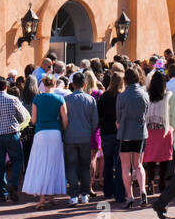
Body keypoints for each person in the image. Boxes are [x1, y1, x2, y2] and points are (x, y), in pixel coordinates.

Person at [22, 74, 69, 207]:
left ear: (43, 84)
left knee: (41, 163)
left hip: (41, 133)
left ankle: (42, 198)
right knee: (54, 162)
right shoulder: (59, 98)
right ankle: (51, 196)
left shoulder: (37, 98)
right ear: (54, 84)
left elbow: (34, 120)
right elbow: (65, 119)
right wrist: (62, 129)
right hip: (55, 132)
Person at [0, 75, 30, 203]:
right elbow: (22, 117)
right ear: (6, 86)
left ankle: (2, 193)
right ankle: (13, 184)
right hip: (12, 134)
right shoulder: (13, 99)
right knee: (17, 160)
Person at [116, 65, 151, 209]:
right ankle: (142, 189)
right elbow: (146, 113)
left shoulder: (122, 96)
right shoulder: (144, 94)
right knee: (138, 164)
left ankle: (129, 196)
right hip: (140, 132)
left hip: (125, 133)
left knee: (126, 166)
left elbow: (118, 117)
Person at [63, 72, 100, 205]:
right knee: (85, 166)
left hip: (70, 137)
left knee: (71, 166)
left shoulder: (66, 99)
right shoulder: (90, 100)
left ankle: (73, 195)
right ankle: (84, 194)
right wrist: (89, 131)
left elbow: (63, 119)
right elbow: (95, 121)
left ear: (72, 84)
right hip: (85, 137)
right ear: (84, 84)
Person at [96, 70, 126, 203]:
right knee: (120, 164)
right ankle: (119, 192)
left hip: (107, 132)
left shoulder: (104, 96)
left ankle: (108, 191)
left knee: (108, 163)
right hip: (120, 133)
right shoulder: (123, 96)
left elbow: (98, 114)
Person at [142, 70, 174, 193]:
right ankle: (161, 183)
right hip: (164, 130)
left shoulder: (147, 95)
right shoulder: (168, 95)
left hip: (150, 129)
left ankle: (150, 182)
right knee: (164, 158)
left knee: (150, 158)